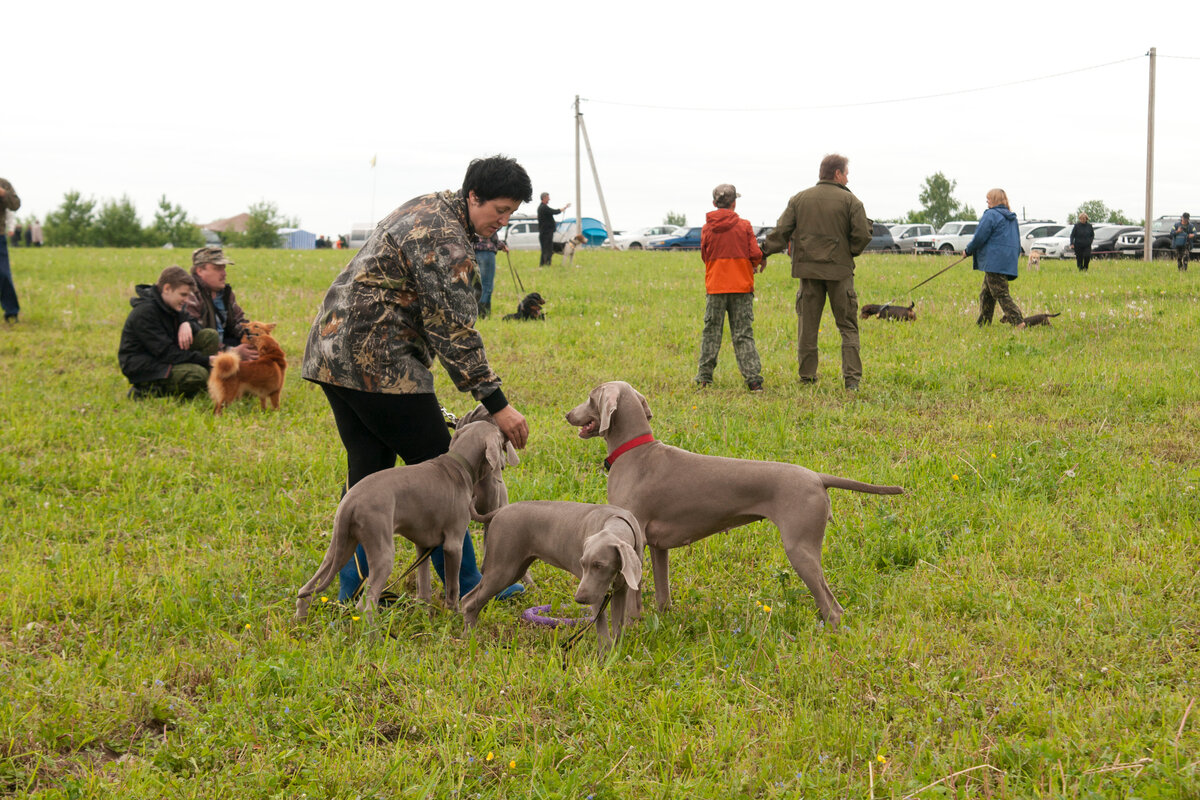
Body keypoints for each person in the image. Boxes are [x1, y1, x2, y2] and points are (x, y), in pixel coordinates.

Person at [302, 154, 532, 603]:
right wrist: (498, 405)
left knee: (368, 469)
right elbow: (454, 332)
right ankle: (470, 583)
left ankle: (353, 586)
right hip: (378, 361)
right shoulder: (447, 241)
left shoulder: (429, 205)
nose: (503, 222)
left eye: (511, 213)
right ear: (473, 196)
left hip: (331, 351)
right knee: (443, 468)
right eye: (499, 210)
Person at [761, 154, 871, 390]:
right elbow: (862, 235)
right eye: (846, 174)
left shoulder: (799, 199)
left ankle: (807, 377)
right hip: (840, 273)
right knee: (848, 327)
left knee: (807, 328)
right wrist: (848, 252)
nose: (848, 179)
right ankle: (852, 380)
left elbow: (781, 232)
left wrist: (762, 253)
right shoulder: (851, 201)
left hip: (808, 272)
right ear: (837, 174)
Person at [695, 183, 765, 392]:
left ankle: (705, 378)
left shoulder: (707, 228)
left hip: (716, 287)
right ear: (734, 203)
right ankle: (753, 380)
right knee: (743, 333)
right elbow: (755, 254)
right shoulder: (745, 226)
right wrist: (753, 265)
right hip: (741, 287)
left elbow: (705, 256)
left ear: (714, 203)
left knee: (711, 332)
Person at [118, 266, 221, 398]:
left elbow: (197, 327)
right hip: (146, 367)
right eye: (183, 295)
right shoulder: (145, 313)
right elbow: (167, 352)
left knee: (209, 336)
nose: (186, 300)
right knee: (198, 375)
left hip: (166, 356)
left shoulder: (172, 305)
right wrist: (206, 360)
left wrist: (186, 323)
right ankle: (144, 390)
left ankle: (205, 384)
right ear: (167, 289)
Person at [182, 246, 258, 361]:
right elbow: (199, 336)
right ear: (199, 271)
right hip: (203, 354)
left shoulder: (225, 293)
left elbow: (238, 322)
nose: (224, 274)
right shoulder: (189, 294)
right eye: (217, 269)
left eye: (224, 268)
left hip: (223, 345)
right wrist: (231, 352)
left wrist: (254, 335)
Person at [966, 188, 1025, 329]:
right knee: (986, 293)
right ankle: (983, 323)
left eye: (989, 198)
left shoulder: (991, 215)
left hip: (994, 261)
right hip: (1006, 260)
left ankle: (1018, 322)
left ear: (995, 199)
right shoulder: (1012, 218)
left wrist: (968, 250)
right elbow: (1016, 241)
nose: (987, 201)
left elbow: (980, 236)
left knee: (1000, 293)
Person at [473, 230, 507, 318]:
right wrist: (501, 245)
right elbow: (491, 235)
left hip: (475, 251)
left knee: (478, 284)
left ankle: (477, 311)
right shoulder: (488, 223)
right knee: (487, 285)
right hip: (487, 252)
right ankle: (483, 314)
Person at [0, 178, 21, 323]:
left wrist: (3, 194)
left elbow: (15, 205)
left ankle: (11, 312)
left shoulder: (3, 184)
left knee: (3, 274)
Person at [536, 192, 570, 266]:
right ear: (544, 198)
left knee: (544, 249)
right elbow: (554, 211)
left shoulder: (541, 207)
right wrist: (564, 208)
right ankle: (547, 264)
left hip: (544, 232)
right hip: (546, 232)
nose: (549, 199)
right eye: (548, 198)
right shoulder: (544, 207)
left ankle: (542, 265)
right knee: (548, 249)